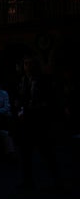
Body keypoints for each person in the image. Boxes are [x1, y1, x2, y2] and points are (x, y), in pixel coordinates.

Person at [17, 57, 62, 190]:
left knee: (47, 152)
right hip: (27, 120)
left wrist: (43, 107)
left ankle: (56, 180)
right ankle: (27, 181)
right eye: (25, 64)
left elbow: (52, 98)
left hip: (40, 120)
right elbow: (21, 97)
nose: (27, 67)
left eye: (29, 64)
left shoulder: (44, 80)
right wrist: (20, 108)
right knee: (25, 153)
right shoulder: (23, 80)